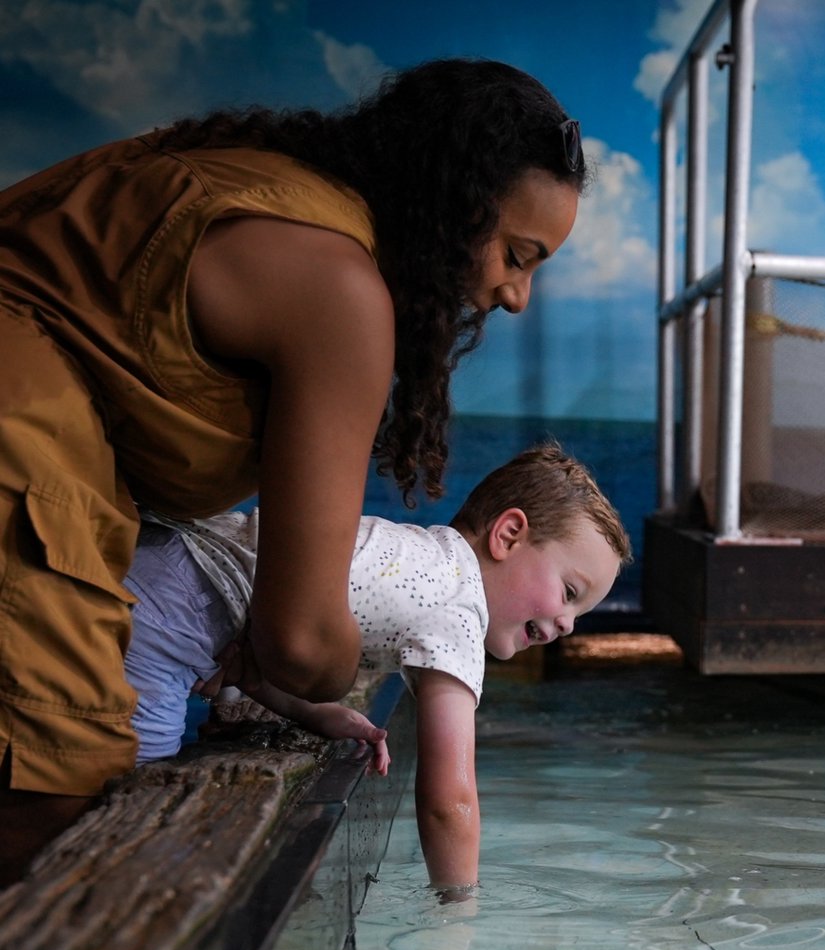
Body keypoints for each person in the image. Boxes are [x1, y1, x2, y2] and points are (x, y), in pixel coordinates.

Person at [0, 59, 588, 882]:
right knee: (61, 788)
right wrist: (340, 667)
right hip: (15, 431)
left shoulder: (260, 185)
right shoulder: (338, 288)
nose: (517, 295)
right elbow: (303, 640)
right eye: (517, 255)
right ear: (453, 204)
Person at [123, 444, 632, 890]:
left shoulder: (421, 556)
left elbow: (259, 626)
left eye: (577, 613)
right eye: (569, 593)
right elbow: (449, 802)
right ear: (509, 534)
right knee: (137, 813)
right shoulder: (460, 606)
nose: (567, 624)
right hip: (173, 611)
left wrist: (312, 713)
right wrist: (457, 919)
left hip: (170, 560)